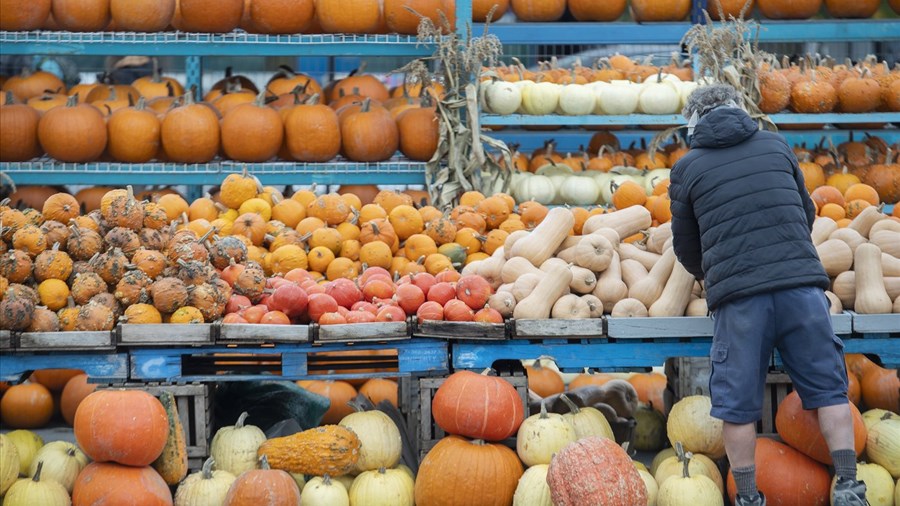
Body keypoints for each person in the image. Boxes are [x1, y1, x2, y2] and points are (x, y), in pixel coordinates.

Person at [668, 84, 868, 506]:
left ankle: (747, 497)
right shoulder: (776, 146)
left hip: (740, 301)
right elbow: (807, 211)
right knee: (829, 389)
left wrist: (715, 274)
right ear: (740, 110)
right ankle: (849, 486)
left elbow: (686, 247)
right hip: (802, 290)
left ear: (693, 123)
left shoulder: (687, 169)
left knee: (738, 405)